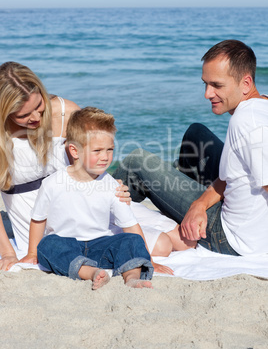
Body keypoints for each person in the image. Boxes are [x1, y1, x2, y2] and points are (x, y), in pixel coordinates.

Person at [113, 40, 268, 256]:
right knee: (196, 134)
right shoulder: (263, 104)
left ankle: (92, 210)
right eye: (205, 83)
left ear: (246, 83)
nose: (207, 93)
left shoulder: (246, 121)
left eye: (217, 85)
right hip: (243, 215)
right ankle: (181, 208)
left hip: (229, 237)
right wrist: (199, 204)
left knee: (136, 163)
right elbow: (235, 175)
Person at [0, 62, 130, 271]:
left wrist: (110, 183)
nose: (35, 118)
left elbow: (92, 158)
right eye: (23, 115)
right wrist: (7, 253)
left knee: (167, 243)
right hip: (36, 230)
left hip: (87, 212)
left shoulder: (65, 112)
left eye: (38, 106)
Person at [21, 107, 153, 289]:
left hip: (101, 244)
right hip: (66, 243)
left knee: (132, 240)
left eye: (110, 150)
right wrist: (31, 252)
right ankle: (91, 273)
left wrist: (147, 257)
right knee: (47, 245)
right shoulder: (53, 183)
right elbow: (38, 219)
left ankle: (131, 278)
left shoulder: (112, 185)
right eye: (97, 151)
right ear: (75, 151)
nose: (105, 157)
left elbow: (130, 226)